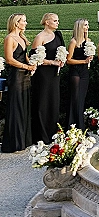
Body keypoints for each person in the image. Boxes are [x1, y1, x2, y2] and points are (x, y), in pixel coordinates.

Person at [1, 13, 35, 152]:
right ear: (16, 23)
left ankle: (24, 141)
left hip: (25, 76)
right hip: (16, 77)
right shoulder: (10, 38)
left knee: (24, 107)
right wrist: (26, 67)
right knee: (16, 108)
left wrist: (32, 63)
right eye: (24, 21)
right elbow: (9, 59)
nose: (26, 23)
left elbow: (24, 56)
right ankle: (14, 143)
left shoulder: (21, 38)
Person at [31, 12, 65, 143]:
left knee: (53, 102)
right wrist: (52, 62)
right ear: (47, 22)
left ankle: (53, 132)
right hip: (43, 75)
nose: (57, 22)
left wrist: (61, 60)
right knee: (43, 103)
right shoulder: (40, 37)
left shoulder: (58, 35)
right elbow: (35, 58)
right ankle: (42, 135)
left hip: (54, 74)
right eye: (55, 20)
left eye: (58, 20)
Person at [67, 19, 92, 130]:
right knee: (75, 98)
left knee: (81, 99)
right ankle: (73, 126)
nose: (87, 27)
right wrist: (84, 61)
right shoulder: (74, 42)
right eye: (85, 25)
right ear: (80, 27)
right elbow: (68, 60)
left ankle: (80, 126)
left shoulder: (88, 41)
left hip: (84, 72)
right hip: (75, 71)